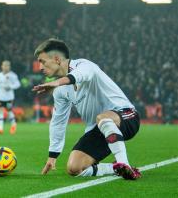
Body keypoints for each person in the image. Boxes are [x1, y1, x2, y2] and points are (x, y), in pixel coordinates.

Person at [33, 38, 141, 180]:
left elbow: (78, 76)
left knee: (103, 118)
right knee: (74, 168)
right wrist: (52, 156)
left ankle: (124, 163)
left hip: (126, 116)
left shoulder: (84, 65)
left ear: (57, 59)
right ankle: (116, 168)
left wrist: (56, 83)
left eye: (43, 61)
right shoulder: (59, 91)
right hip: (98, 128)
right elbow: (58, 121)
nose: (40, 67)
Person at [0, 60, 21, 134]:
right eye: (4, 65)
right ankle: (0, 128)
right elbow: (0, 83)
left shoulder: (13, 75)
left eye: (7, 66)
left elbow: (18, 84)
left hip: (9, 97)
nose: (5, 67)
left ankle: (13, 125)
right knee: (0, 111)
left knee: (9, 111)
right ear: (1, 66)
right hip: (0, 97)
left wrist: (11, 87)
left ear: (9, 67)